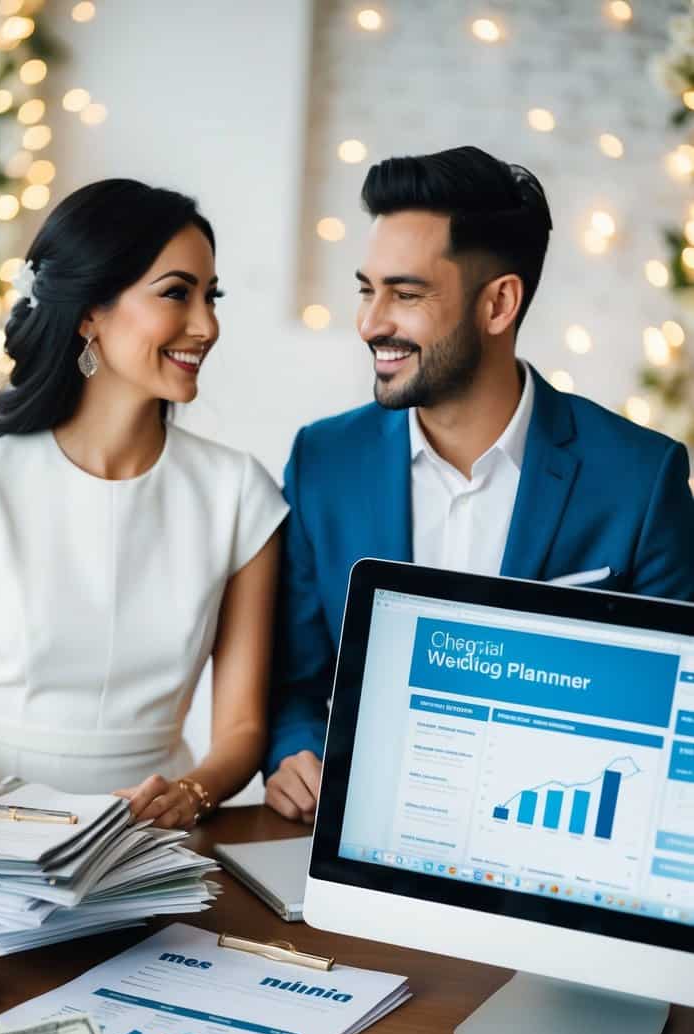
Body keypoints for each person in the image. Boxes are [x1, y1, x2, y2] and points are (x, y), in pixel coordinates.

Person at [264, 145, 694, 823]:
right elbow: (294, 683)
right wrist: (294, 755)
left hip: (555, 837)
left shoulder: (641, 477)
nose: (371, 322)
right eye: (365, 289)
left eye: (404, 294)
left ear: (498, 304)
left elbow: (676, 717)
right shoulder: (323, 459)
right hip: (359, 835)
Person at [0, 179, 287, 827]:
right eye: (176, 293)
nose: (207, 325)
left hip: (150, 837)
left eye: (210, 297)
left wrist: (189, 794)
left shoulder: (240, 495)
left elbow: (242, 727)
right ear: (88, 314)